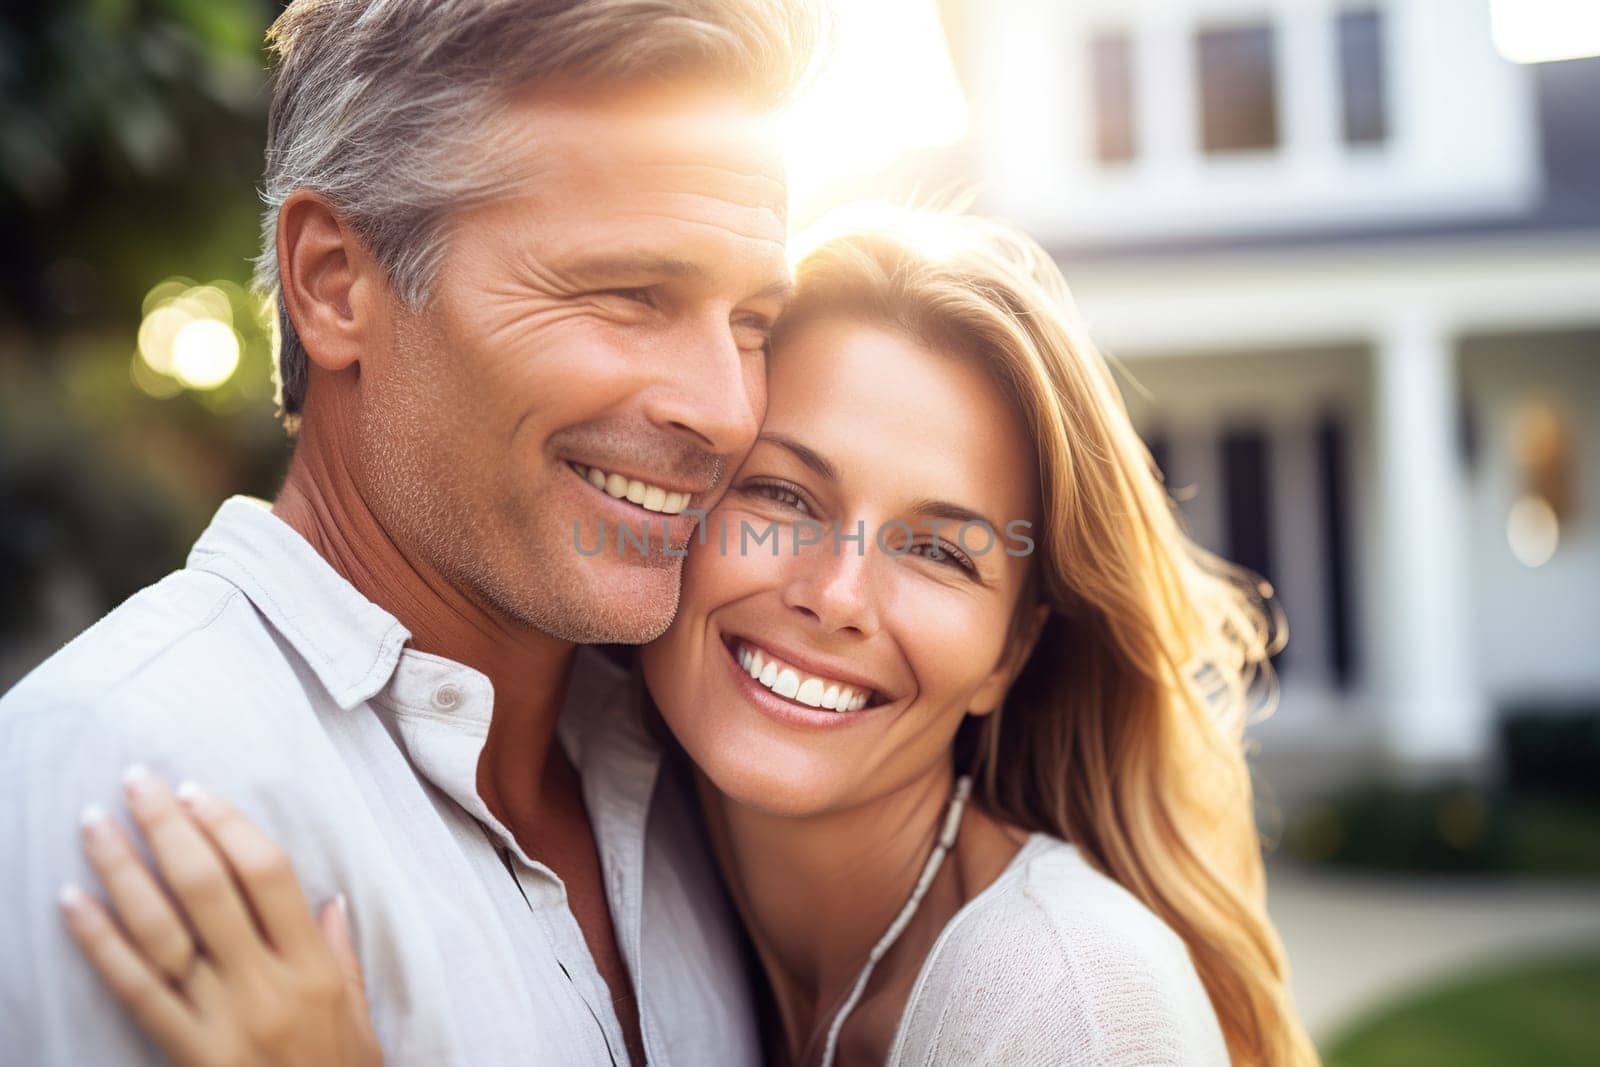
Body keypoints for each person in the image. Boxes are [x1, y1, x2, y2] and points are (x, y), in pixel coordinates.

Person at [63, 208, 1321, 1065]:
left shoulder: (1066, 1002)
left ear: (1007, 650)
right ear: (672, 511)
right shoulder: (644, 860)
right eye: (780, 494)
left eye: (940, 548)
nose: (835, 591)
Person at [0, 1, 822, 1063]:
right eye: (629, 293)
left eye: (751, 322)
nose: (725, 409)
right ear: (334, 283)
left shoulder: (701, 774)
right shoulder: (123, 784)